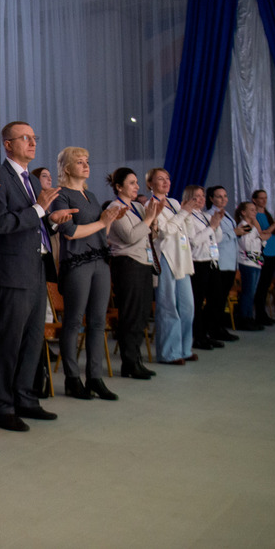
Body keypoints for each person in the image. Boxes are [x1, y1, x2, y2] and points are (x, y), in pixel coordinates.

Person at [0, 121, 68, 431]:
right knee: (11, 341)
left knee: (34, 339)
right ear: (8, 144)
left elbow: (34, 219)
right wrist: (39, 210)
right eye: (25, 138)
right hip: (12, 271)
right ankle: (1, 406)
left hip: (36, 268)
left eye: (34, 138)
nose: (32, 143)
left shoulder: (30, 178)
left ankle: (25, 398)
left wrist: (51, 220)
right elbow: (0, 225)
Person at [49, 147, 124, 398]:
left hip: (100, 260)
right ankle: (72, 378)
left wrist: (109, 220)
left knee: (97, 322)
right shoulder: (61, 195)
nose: (85, 165)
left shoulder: (91, 194)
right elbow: (69, 231)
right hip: (77, 262)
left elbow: (98, 230)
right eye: (79, 162)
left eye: (87, 161)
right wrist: (102, 222)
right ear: (67, 168)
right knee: (73, 321)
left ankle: (95, 377)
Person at [106, 168, 163, 379]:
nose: (137, 186)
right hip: (127, 264)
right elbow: (130, 236)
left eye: (137, 182)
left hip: (144, 262)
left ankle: (136, 359)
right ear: (119, 187)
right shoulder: (115, 208)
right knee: (130, 314)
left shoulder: (138, 206)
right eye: (131, 183)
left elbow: (151, 236)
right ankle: (129, 362)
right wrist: (148, 220)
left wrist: (154, 220)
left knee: (141, 315)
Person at [146, 168, 199, 365]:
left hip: (183, 257)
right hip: (166, 257)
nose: (166, 182)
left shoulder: (176, 203)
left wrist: (187, 214)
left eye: (168, 178)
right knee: (168, 306)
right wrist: (183, 214)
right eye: (160, 179)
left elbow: (188, 232)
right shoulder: (150, 204)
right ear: (150, 184)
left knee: (188, 307)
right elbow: (165, 232)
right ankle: (169, 352)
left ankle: (184, 349)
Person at [184, 185, 225, 351]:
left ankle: (207, 332)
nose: (200, 200)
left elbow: (218, 238)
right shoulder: (189, 217)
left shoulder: (205, 215)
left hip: (211, 260)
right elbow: (193, 241)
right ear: (188, 199)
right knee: (198, 301)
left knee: (217, 298)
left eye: (202, 196)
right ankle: (197, 336)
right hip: (198, 262)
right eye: (196, 197)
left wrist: (216, 224)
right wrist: (212, 227)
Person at [205, 186, 246, 338]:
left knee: (222, 298)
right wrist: (234, 233)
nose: (223, 199)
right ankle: (213, 328)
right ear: (211, 199)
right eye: (219, 196)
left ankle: (219, 326)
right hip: (220, 260)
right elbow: (215, 238)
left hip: (230, 261)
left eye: (225, 196)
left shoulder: (227, 214)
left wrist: (237, 234)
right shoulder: (210, 215)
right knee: (216, 298)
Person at [235, 201, 265, 330]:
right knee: (248, 291)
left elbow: (262, 243)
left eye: (255, 210)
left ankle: (249, 316)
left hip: (256, 261)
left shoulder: (253, 226)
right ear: (243, 212)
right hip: (247, 262)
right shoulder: (244, 226)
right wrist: (259, 238)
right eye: (251, 210)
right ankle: (243, 318)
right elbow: (247, 246)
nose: (254, 212)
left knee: (252, 291)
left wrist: (259, 237)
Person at [251, 190, 275, 326]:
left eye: (265, 198)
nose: (263, 200)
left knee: (266, 284)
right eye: (261, 198)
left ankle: (263, 313)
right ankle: (259, 313)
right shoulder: (255, 215)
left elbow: (273, 233)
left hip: (272, 252)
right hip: (262, 253)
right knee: (261, 285)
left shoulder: (267, 214)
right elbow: (262, 233)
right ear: (254, 200)